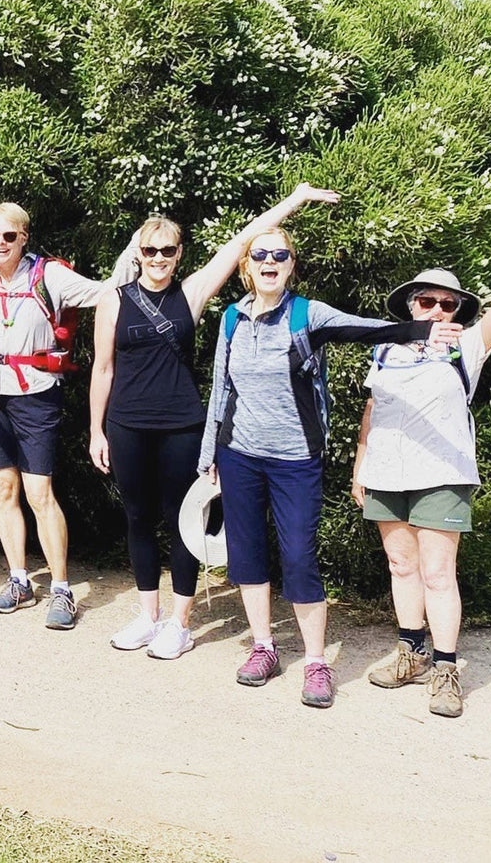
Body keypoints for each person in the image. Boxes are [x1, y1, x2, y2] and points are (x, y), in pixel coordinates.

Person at [197, 228, 463, 708]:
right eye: (260, 254)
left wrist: (421, 330)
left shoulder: (308, 315)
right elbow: (221, 386)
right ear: (247, 266)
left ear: (291, 264)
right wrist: (209, 451)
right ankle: (263, 648)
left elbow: (366, 329)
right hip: (239, 454)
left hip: (296, 459)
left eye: (280, 254)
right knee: (247, 553)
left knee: (299, 556)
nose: (270, 261)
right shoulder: (232, 318)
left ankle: (316, 662)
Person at [88, 184, 340, 659]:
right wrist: (95, 429)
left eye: (167, 250)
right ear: (138, 253)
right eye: (150, 250)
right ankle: (148, 616)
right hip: (126, 423)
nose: (158, 258)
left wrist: (296, 199)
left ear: (179, 254)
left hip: (182, 424)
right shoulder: (114, 300)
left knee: (182, 520)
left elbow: (243, 240)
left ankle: (179, 623)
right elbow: (103, 368)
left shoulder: (192, 292)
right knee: (137, 517)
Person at [355, 237, 491, 717]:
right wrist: (360, 467)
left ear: (457, 312)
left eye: (447, 303)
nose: (437, 309)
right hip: (386, 472)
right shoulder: (386, 351)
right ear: (411, 305)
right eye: (427, 300)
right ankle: (411, 653)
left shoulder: (467, 347)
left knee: (438, 573)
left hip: (442, 474)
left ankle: (445, 668)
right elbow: (373, 409)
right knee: (401, 565)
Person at [0, 204, 138, 629]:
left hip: (36, 397)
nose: (0, 243)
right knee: (4, 490)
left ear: (24, 237)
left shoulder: (49, 276)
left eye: (9, 236)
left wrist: (134, 251)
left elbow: (106, 293)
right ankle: (19, 580)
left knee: (40, 493)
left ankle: (61, 589)